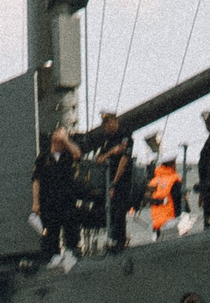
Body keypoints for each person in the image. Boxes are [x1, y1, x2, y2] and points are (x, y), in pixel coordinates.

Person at [82, 110, 136, 250]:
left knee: (119, 210)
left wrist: (114, 182)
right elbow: (99, 158)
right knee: (109, 211)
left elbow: (124, 158)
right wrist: (111, 152)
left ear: (115, 121)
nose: (106, 126)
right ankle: (112, 240)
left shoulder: (125, 136)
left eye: (108, 123)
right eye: (105, 124)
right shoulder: (107, 141)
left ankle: (120, 242)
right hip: (108, 182)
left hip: (122, 181)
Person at [30, 125, 81, 261]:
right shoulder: (43, 158)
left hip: (67, 202)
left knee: (71, 234)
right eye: (59, 136)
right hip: (49, 204)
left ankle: (72, 257)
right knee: (49, 236)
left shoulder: (69, 155)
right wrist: (35, 203)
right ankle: (52, 260)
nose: (61, 140)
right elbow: (36, 181)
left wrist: (66, 140)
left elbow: (78, 154)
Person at [147, 154, 185, 233]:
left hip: (157, 224)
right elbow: (179, 202)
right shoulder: (174, 180)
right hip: (172, 222)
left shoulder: (153, 182)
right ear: (172, 165)